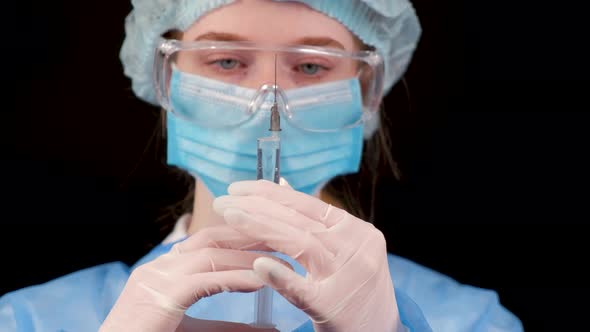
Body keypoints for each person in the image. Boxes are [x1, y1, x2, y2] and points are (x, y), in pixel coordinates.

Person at [0, 0, 524, 331]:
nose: (268, 103)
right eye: (225, 61)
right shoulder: (30, 319)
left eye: (313, 66)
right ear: (165, 80)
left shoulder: (471, 321)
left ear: (367, 92)